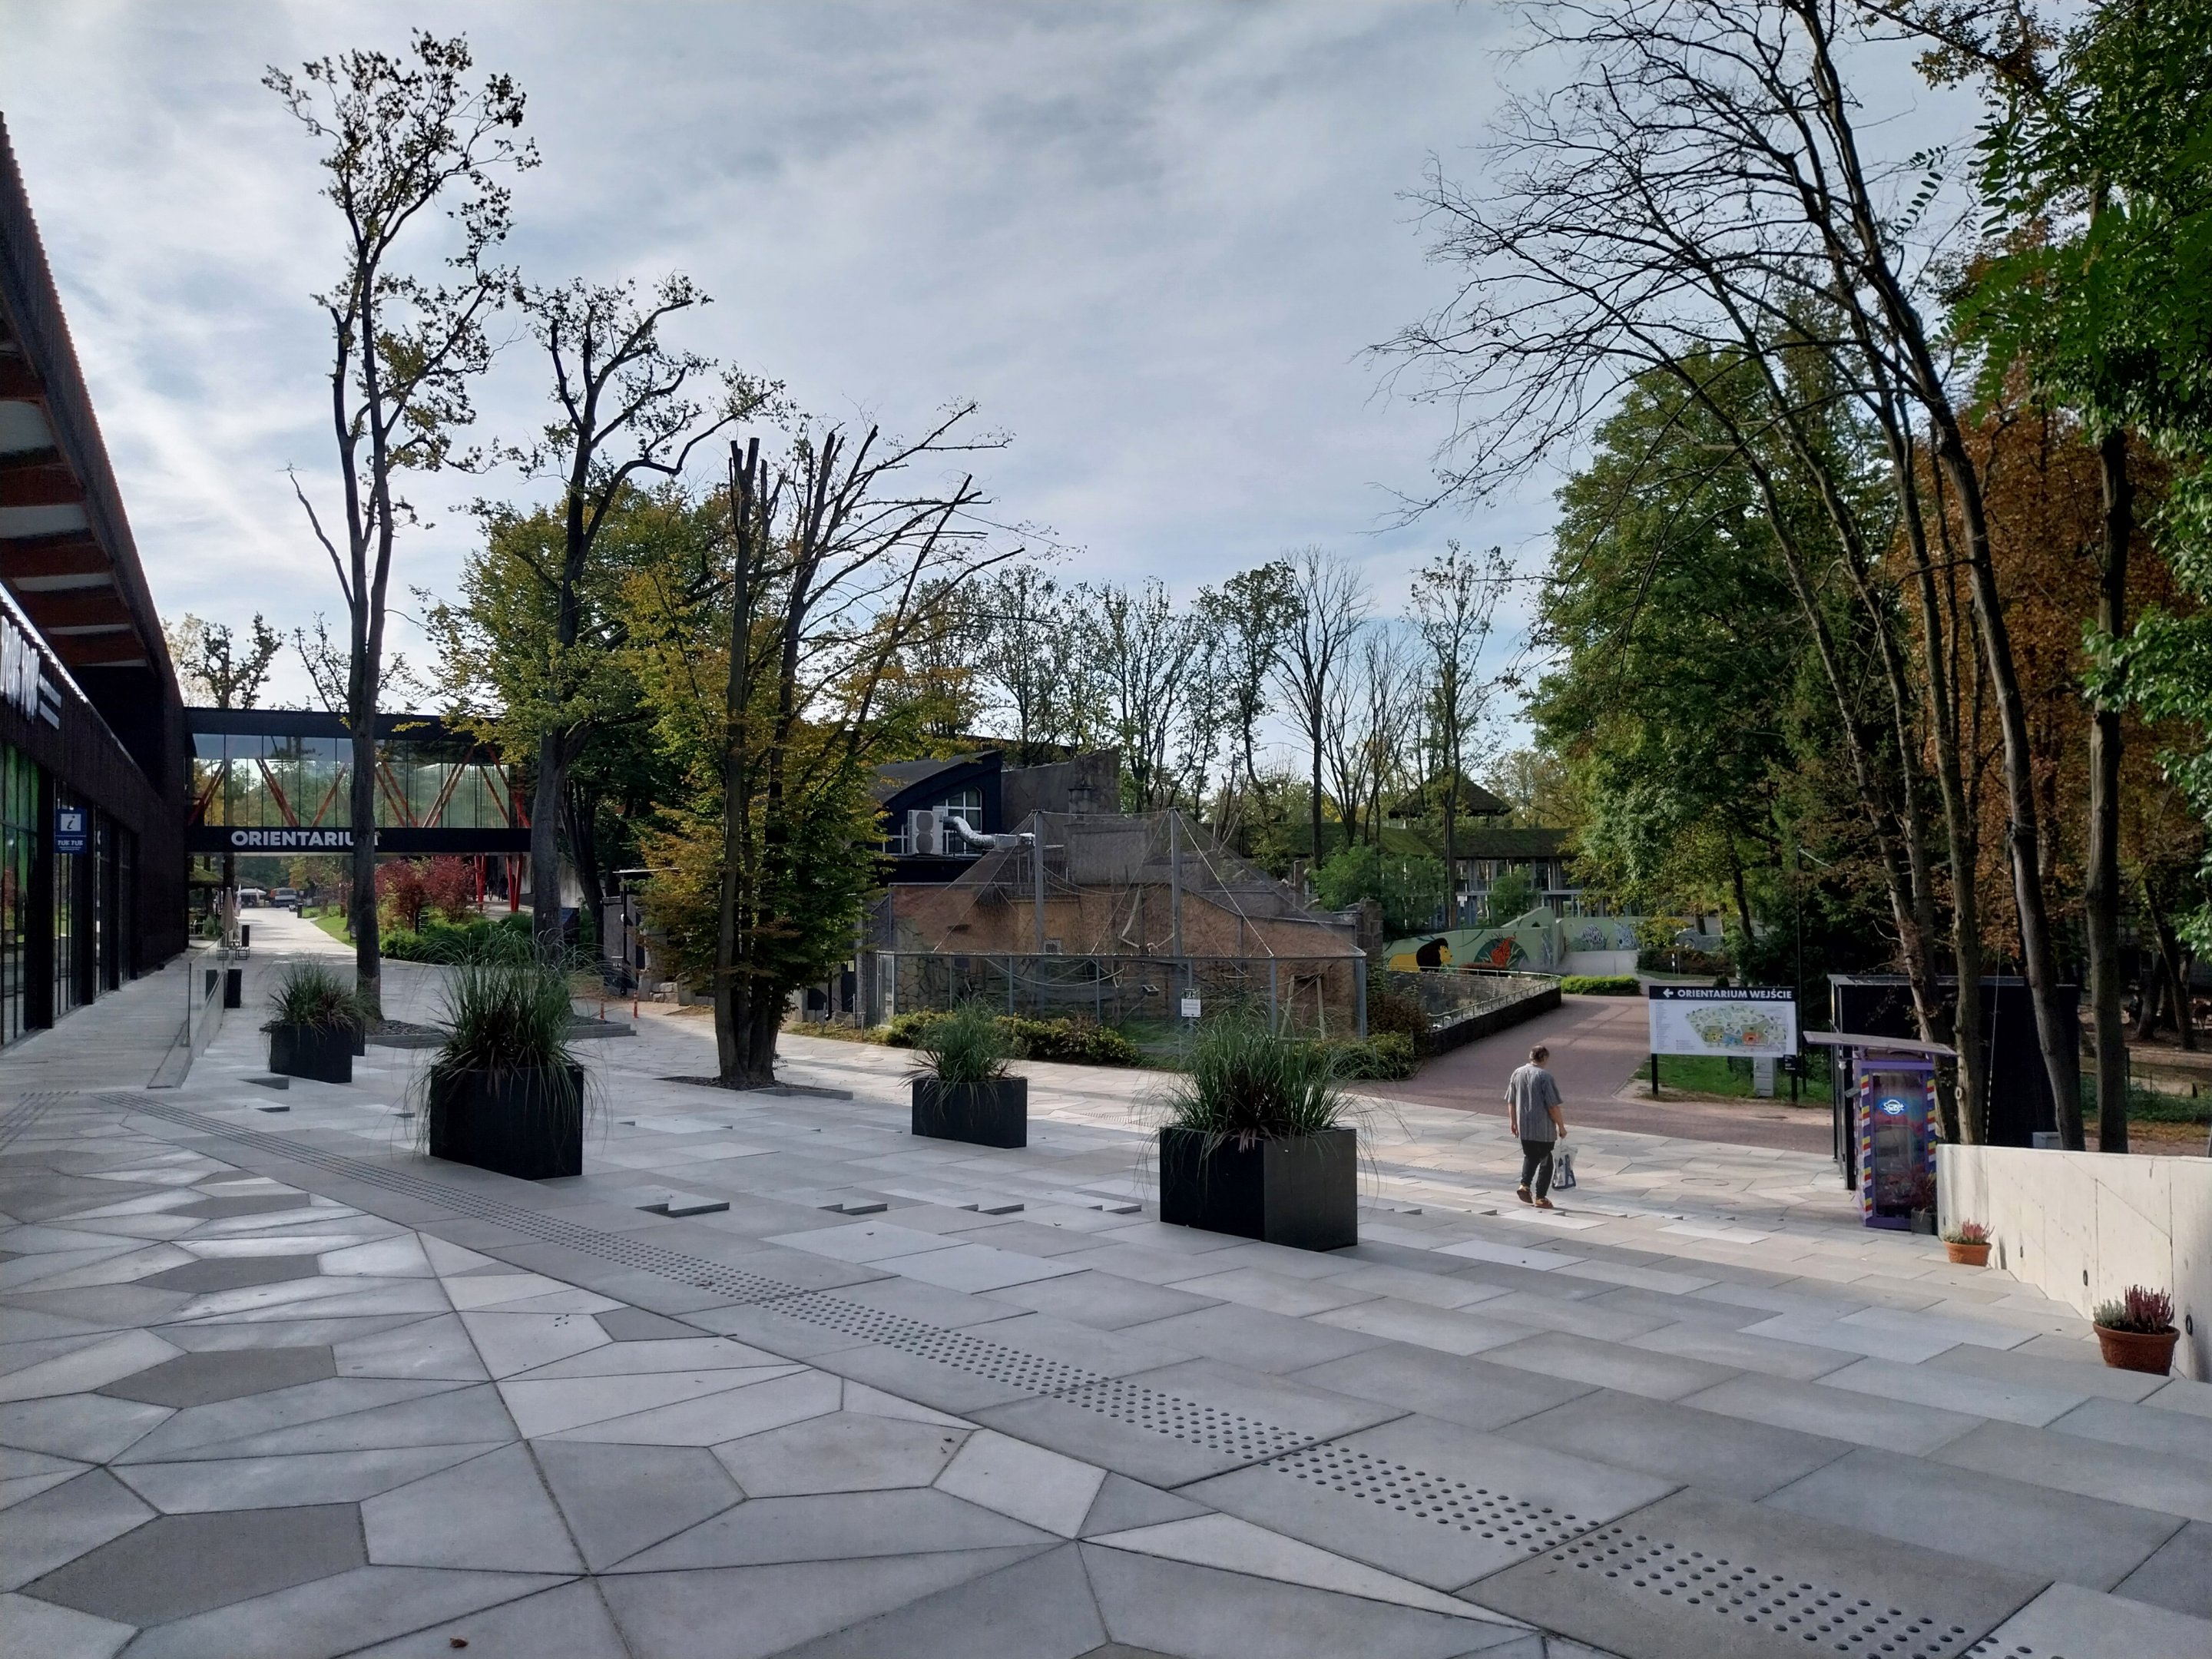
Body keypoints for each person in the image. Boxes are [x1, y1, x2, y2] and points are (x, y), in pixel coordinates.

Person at [1505, 1043, 1567, 1209]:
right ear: (1545, 1058)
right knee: (1547, 1162)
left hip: (1524, 1125)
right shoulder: (1544, 1077)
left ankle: (1524, 1185)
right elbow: (1552, 1106)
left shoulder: (1517, 1073)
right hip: (1544, 1128)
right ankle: (1541, 1197)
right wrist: (1561, 1126)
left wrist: (1513, 1122)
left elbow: (1511, 1100)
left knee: (1530, 1156)